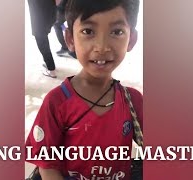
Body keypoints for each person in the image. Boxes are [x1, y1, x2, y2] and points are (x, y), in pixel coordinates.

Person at [26, 0, 142, 179]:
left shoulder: (133, 101)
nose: (102, 47)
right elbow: (47, 167)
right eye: (88, 31)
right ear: (70, 39)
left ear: (131, 40)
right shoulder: (57, 103)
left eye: (117, 32)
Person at [27, 0, 57, 78]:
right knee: (43, 40)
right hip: (49, 15)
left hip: (40, 19)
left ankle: (51, 69)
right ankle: (49, 64)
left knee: (42, 43)